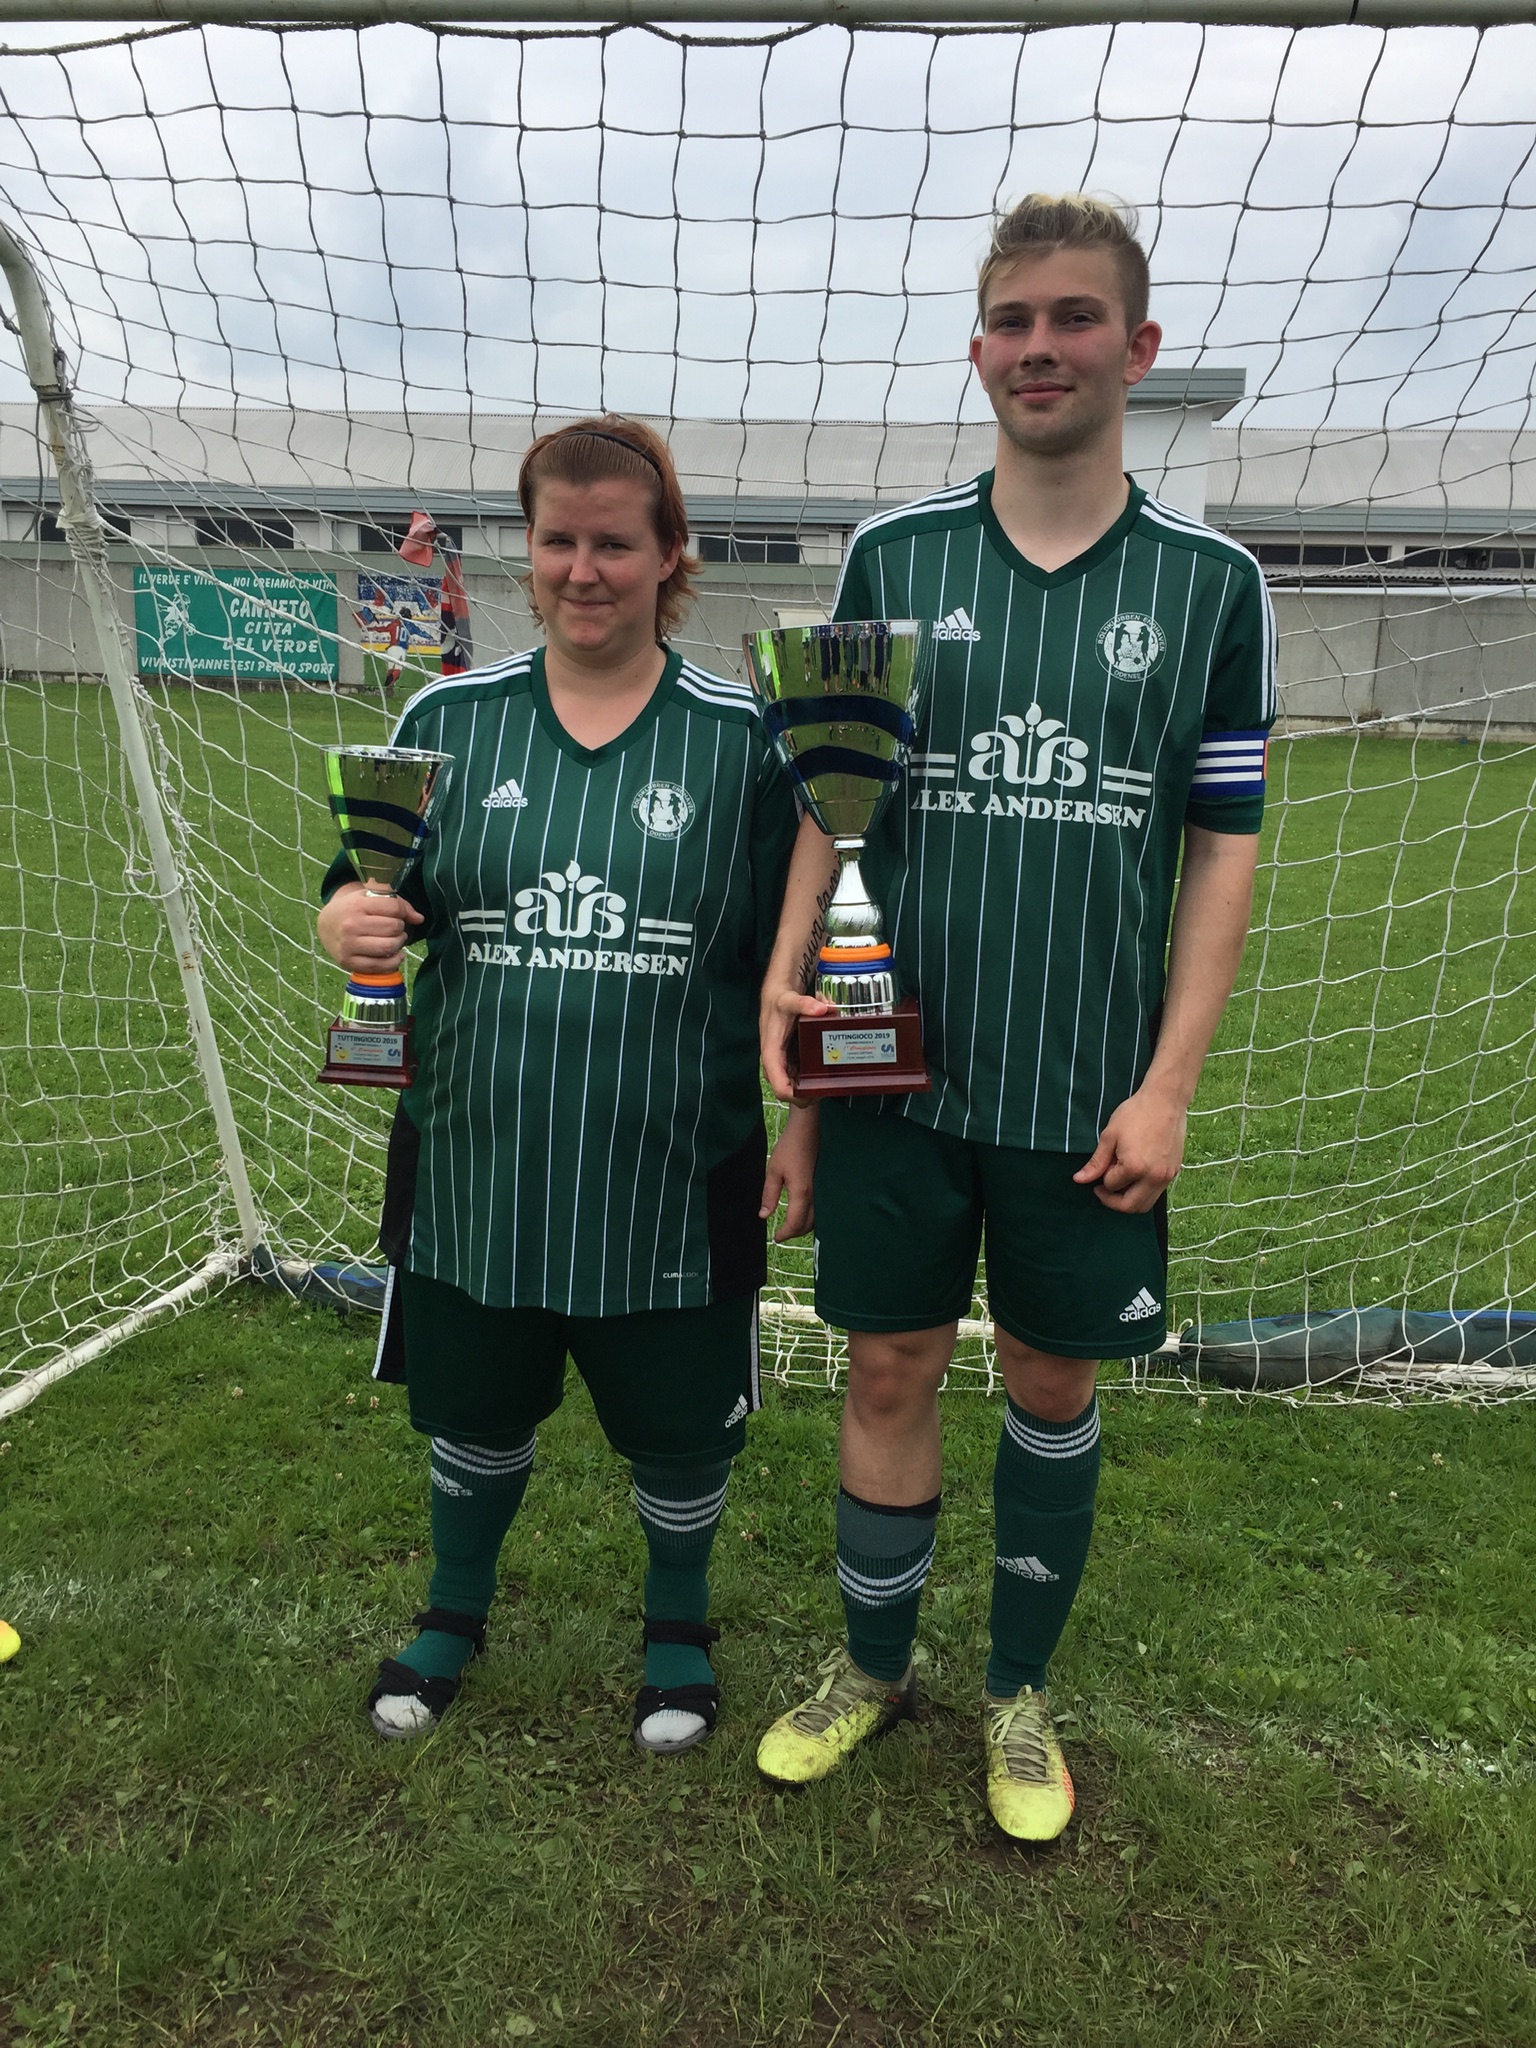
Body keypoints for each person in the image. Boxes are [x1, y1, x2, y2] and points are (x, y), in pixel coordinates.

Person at [753, 196, 1275, 1840]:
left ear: (1139, 346)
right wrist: (798, 1060)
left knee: (1051, 1382)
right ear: (979, 348)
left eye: (1073, 317)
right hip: (888, 1074)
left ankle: (1017, 1696)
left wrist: (1170, 1085)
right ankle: (870, 1666)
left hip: (1085, 1085)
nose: (1040, 348)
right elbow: (833, 811)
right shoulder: (892, 560)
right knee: (887, 1365)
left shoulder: (1214, 585)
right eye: (1013, 321)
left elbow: (1224, 847)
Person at [318, 416, 812, 1754]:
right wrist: (345, 921)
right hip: (478, 1155)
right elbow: (368, 891)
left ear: (670, 556)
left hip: (676, 1167)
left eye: (614, 543)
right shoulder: (445, 721)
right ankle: (452, 1613)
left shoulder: (745, 743)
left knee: (681, 1434)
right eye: (557, 541)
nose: (583, 570)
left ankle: (677, 1629)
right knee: (474, 1412)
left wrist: (810, 1125)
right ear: (526, 551)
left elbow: (801, 958)